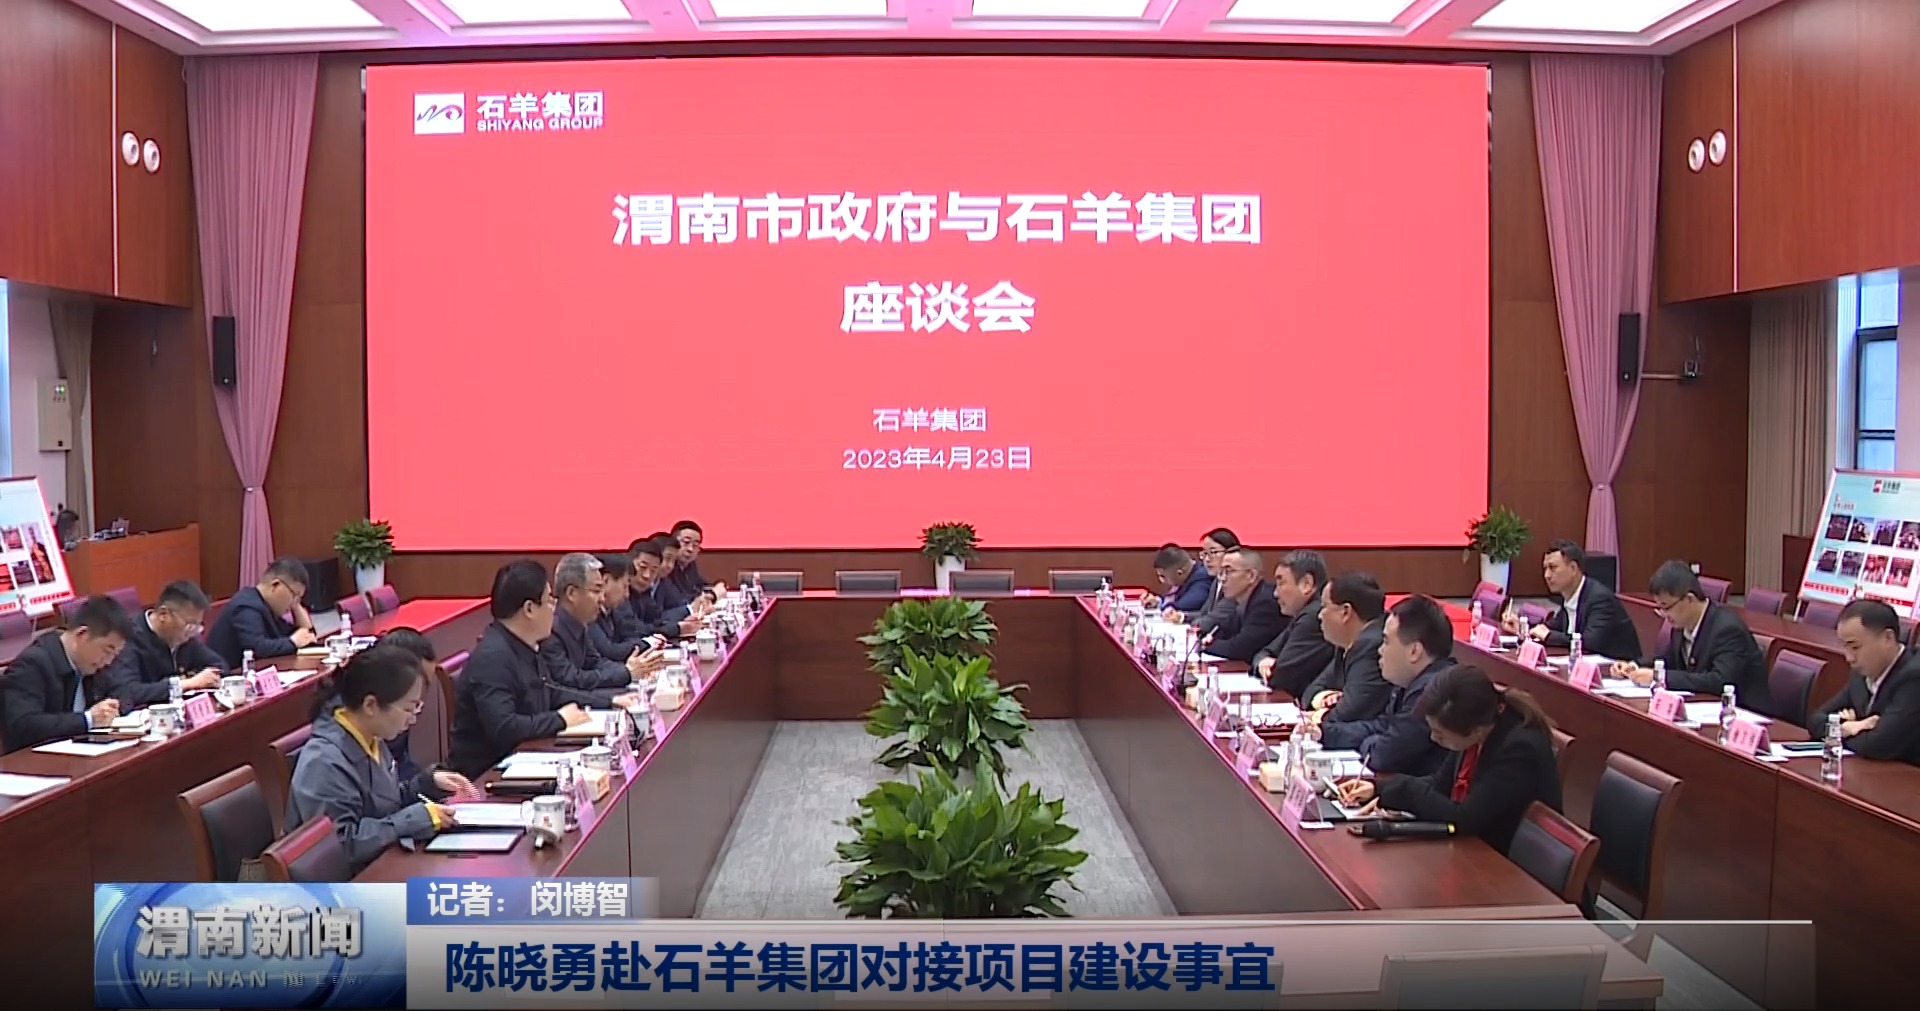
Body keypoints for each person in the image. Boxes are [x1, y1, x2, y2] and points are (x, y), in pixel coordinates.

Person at [286, 644, 479, 876]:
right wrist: (413, 820)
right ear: (370, 705)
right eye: (409, 708)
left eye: (417, 707)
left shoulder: (370, 734)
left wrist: (427, 784)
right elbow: (341, 847)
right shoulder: (324, 762)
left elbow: (384, 804)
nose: (413, 719)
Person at [1335, 664, 1562, 854]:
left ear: (1475, 730)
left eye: (1440, 734)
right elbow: (1440, 784)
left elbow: (1464, 818)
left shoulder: (1519, 749)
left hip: (1504, 864)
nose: (1433, 739)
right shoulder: (1477, 729)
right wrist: (1379, 788)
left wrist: (1404, 790)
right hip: (1472, 849)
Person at [446, 560, 599, 778]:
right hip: (487, 777)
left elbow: (550, 691)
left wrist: (609, 701)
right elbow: (504, 727)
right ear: (529, 609)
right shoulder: (494, 658)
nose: (554, 609)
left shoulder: (525, 645)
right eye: (549, 601)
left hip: (523, 759)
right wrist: (560, 719)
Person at [1312, 594, 1453, 776]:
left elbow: (1383, 755)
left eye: (1386, 642)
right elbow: (1381, 726)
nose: (1380, 650)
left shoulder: (1431, 691)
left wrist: (1368, 744)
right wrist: (1325, 733)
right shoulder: (1409, 683)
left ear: (1414, 651)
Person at [1612, 560, 1770, 716]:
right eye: (1659, 608)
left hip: (1746, 715)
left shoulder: (1727, 629)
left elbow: (1720, 681)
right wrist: (1633, 666)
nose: (1664, 615)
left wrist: (1660, 677)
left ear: (1689, 599)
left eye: (1666, 607)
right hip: (1705, 708)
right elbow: (1667, 660)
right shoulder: (1682, 624)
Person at [0, 595, 135, 752]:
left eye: (115, 654)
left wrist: (111, 708)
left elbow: (123, 692)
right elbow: (23, 726)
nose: (109, 661)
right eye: (107, 650)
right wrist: (87, 719)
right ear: (82, 634)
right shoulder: (33, 664)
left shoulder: (94, 663)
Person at [1809, 599, 1920, 762]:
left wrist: (1837, 735)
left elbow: (1879, 745)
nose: (1849, 658)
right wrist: (1848, 727)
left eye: (1855, 647)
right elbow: (1816, 721)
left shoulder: (1914, 678)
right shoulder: (1860, 675)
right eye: (1845, 647)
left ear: (1888, 638)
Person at [1504, 540, 1639, 661]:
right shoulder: (1570, 595)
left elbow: (1589, 642)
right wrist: (1522, 629)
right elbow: (1550, 627)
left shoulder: (1599, 599)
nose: (1547, 575)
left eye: (1553, 568)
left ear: (1573, 568)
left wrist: (1549, 636)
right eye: (1545, 569)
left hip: (1619, 669)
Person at [100, 580, 225, 706]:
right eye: (190, 624)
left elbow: (219, 666)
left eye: (198, 625)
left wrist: (197, 679)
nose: (194, 631)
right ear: (163, 614)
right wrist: (185, 684)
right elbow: (126, 691)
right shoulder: (128, 637)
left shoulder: (184, 637)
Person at [540, 553, 650, 695]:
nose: (602, 598)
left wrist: (629, 669)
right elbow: (570, 679)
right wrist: (625, 673)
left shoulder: (580, 623)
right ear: (572, 593)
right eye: (596, 590)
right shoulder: (550, 629)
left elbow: (595, 662)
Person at [1300, 571, 1392, 721]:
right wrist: (1326, 697)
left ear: (1345, 612)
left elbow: (1347, 715)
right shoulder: (1346, 644)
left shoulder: (1372, 646)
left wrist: (1319, 714)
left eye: (1324, 606)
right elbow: (1310, 693)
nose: (1319, 615)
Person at [1251, 549, 1335, 697]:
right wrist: (1263, 662)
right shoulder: (1303, 613)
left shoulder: (1314, 616)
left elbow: (1280, 677)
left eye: (1281, 583)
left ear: (1307, 584)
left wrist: (1268, 667)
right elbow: (1263, 652)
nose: (1275, 593)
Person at [206, 557, 315, 667]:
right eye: (294, 594)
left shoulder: (267, 606)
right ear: (276, 585)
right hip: (225, 674)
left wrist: (296, 605)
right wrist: (293, 642)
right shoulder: (246, 607)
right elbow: (257, 648)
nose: (294, 601)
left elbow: (305, 636)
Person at [376, 626, 440, 785]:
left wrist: (430, 782)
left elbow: (402, 764)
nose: (421, 695)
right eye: (422, 684)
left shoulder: (400, 706)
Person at [1206, 547, 1287, 663]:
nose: (1222, 579)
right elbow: (1222, 630)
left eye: (1228, 571)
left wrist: (1207, 645)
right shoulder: (1241, 601)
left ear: (1251, 575)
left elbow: (1239, 649)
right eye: (1221, 572)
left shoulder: (1266, 602)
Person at [1169, 528, 1242, 632]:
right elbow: (1206, 613)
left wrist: (1194, 626)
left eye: (1213, 552)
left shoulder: (1236, 584)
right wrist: (1183, 617)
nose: (1207, 559)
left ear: (1232, 553)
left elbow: (1212, 620)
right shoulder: (1217, 581)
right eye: (1204, 553)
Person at [628, 537, 700, 640]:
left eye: (653, 570)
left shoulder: (644, 592)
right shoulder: (621, 594)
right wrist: (677, 628)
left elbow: (658, 620)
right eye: (642, 567)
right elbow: (636, 629)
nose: (647, 576)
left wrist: (680, 624)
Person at [591, 552, 650, 659]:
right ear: (605, 581)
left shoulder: (613, 611)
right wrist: (648, 643)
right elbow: (609, 651)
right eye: (625, 586)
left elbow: (630, 634)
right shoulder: (588, 613)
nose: (627, 594)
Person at [1152, 544, 1214, 615]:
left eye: (1163, 576)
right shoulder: (1186, 576)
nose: (1161, 581)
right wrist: (1158, 601)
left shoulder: (1202, 577)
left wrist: (1168, 607)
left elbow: (1187, 603)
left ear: (1180, 572)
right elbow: (1174, 597)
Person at [670, 520, 722, 600]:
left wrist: (719, 584)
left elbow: (702, 586)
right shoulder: (668, 567)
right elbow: (680, 599)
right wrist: (713, 595)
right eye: (686, 542)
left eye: (695, 545)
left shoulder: (691, 565)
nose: (690, 549)